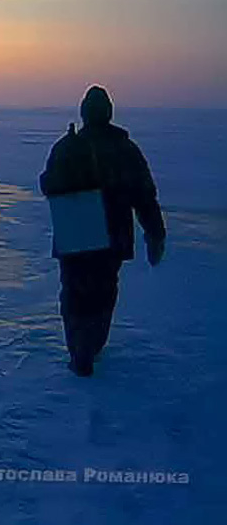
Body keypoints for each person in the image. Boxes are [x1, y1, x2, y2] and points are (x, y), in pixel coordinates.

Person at [39, 86, 166, 376]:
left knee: (74, 293)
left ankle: (80, 352)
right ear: (108, 113)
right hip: (112, 234)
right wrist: (155, 233)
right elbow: (144, 195)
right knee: (103, 292)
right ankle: (91, 346)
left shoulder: (67, 146)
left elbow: (47, 185)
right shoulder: (125, 149)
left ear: (84, 113)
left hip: (75, 230)